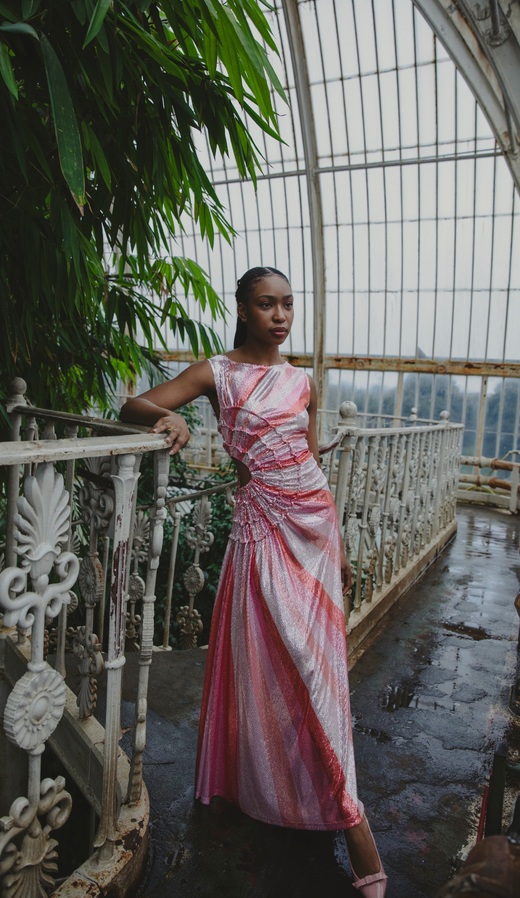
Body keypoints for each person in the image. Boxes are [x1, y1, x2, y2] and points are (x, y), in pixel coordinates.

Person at [120, 266, 388, 897]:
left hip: (316, 534)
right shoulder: (219, 373)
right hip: (262, 537)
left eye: (288, 304)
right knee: (277, 663)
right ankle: (346, 821)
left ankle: (337, 807)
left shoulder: (303, 381)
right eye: (267, 304)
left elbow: (311, 463)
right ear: (243, 310)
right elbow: (132, 405)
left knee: (321, 672)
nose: (280, 315)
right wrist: (170, 421)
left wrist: (340, 545)